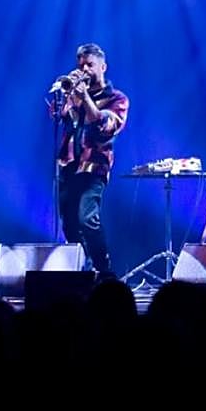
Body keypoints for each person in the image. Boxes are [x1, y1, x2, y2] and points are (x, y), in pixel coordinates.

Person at [50, 43, 129, 279]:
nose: (84, 69)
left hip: (94, 167)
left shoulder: (118, 99)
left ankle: (105, 272)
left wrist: (83, 97)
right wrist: (61, 101)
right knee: (69, 225)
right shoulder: (74, 96)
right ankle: (83, 272)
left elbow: (104, 126)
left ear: (103, 67)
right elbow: (63, 119)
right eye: (80, 65)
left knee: (87, 219)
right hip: (68, 165)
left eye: (89, 65)